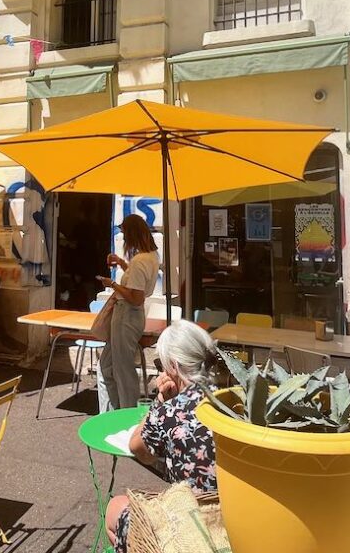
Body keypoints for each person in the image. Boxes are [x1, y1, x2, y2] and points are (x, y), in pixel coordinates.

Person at [104, 321, 218, 552]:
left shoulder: (169, 411)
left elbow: (138, 449)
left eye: (162, 365)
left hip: (190, 517)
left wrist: (159, 401)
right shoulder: (232, 400)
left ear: (174, 367)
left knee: (114, 508)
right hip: (231, 512)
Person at [97, 214, 160, 410]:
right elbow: (136, 283)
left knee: (122, 371)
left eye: (125, 234)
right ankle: (110, 412)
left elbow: (135, 297)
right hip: (130, 316)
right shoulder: (150, 257)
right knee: (106, 367)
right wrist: (122, 264)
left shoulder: (140, 260)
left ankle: (127, 414)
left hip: (126, 316)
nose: (123, 239)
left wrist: (112, 284)